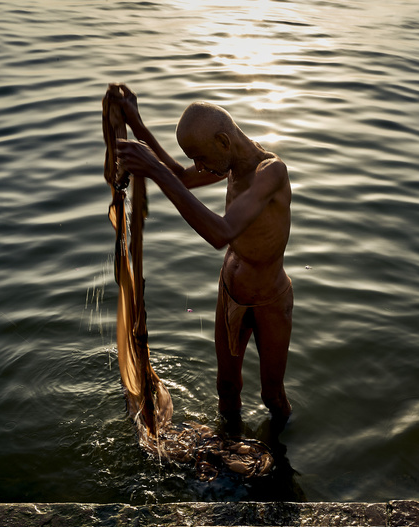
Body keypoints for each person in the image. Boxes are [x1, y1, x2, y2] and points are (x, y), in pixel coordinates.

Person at [113, 85, 293, 429]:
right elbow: (182, 177)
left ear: (224, 142)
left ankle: (281, 467)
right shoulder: (228, 162)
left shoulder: (270, 172)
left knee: (273, 396)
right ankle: (230, 454)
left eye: (202, 158)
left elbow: (221, 233)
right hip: (230, 291)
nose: (199, 167)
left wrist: (155, 171)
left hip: (269, 300)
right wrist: (137, 124)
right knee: (226, 390)